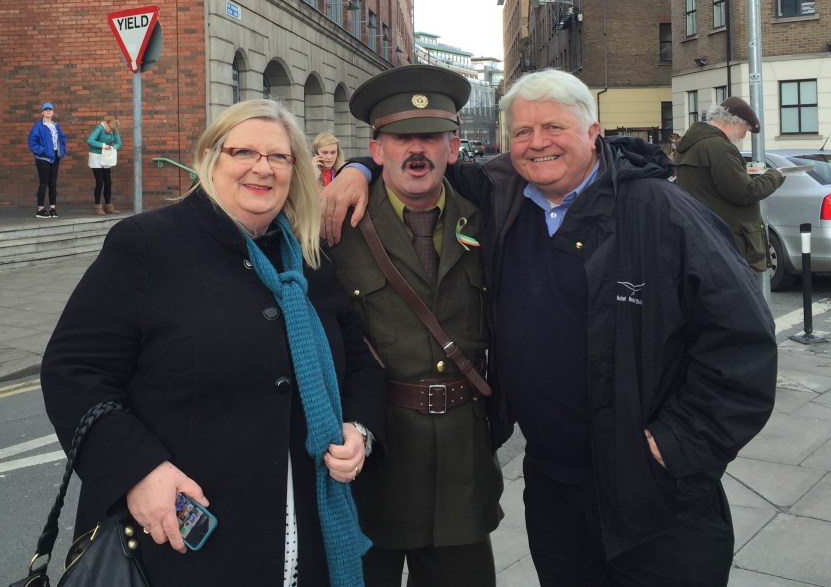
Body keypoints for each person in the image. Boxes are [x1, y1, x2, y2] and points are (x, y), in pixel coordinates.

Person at [322, 69, 777, 586]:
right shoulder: (505, 199)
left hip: (653, 490)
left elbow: (743, 343)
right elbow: (411, 167)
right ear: (505, 145)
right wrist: (355, 169)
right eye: (522, 132)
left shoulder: (662, 212)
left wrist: (680, 444)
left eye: (555, 127)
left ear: (593, 132)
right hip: (553, 486)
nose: (538, 143)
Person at [41, 98, 386, 586]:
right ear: (210, 157)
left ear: (295, 170)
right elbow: (73, 371)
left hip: (304, 540)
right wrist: (139, 471)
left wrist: (359, 429)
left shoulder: (307, 258)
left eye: (279, 157)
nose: (261, 169)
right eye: (244, 152)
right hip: (184, 544)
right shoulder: (147, 244)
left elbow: (363, 366)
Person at [329, 66, 502, 587]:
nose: (417, 150)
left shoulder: (491, 215)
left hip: (462, 462)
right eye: (402, 137)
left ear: (453, 146)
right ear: (377, 149)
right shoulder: (337, 226)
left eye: (431, 136)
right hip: (373, 455)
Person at [674, 98, 785, 272]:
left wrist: (744, 172)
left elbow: (710, 185)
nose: (743, 135)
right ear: (733, 122)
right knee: (736, 297)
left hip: (706, 236)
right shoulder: (718, 147)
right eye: (745, 129)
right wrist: (775, 175)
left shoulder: (693, 144)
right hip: (728, 243)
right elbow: (744, 193)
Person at [28, 102, 66, 218]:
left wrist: (61, 152)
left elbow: (62, 140)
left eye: (50, 110)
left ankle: (53, 208)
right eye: (46, 110)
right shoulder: (38, 126)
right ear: (42, 113)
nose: (48, 112)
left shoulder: (56, 126)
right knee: (44, 183)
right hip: (43, 158)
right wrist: (43, 151)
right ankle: (40, 209)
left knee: (53, 183)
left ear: (53, 112)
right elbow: (32, 143)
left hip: (55, 157)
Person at [86, 116, 122, 215]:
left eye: (112, 130)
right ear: (107, 123)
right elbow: (90, 141)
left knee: (108, 182)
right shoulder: (99, 128)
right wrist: (103, 145)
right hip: (96, 157)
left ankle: (108, 206)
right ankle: (97, 207)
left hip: (106, 157)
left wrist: (113, 147)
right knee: (99, 182)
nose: (110, 132)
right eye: (109, 129)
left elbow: (119, 143)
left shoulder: (114, 130)